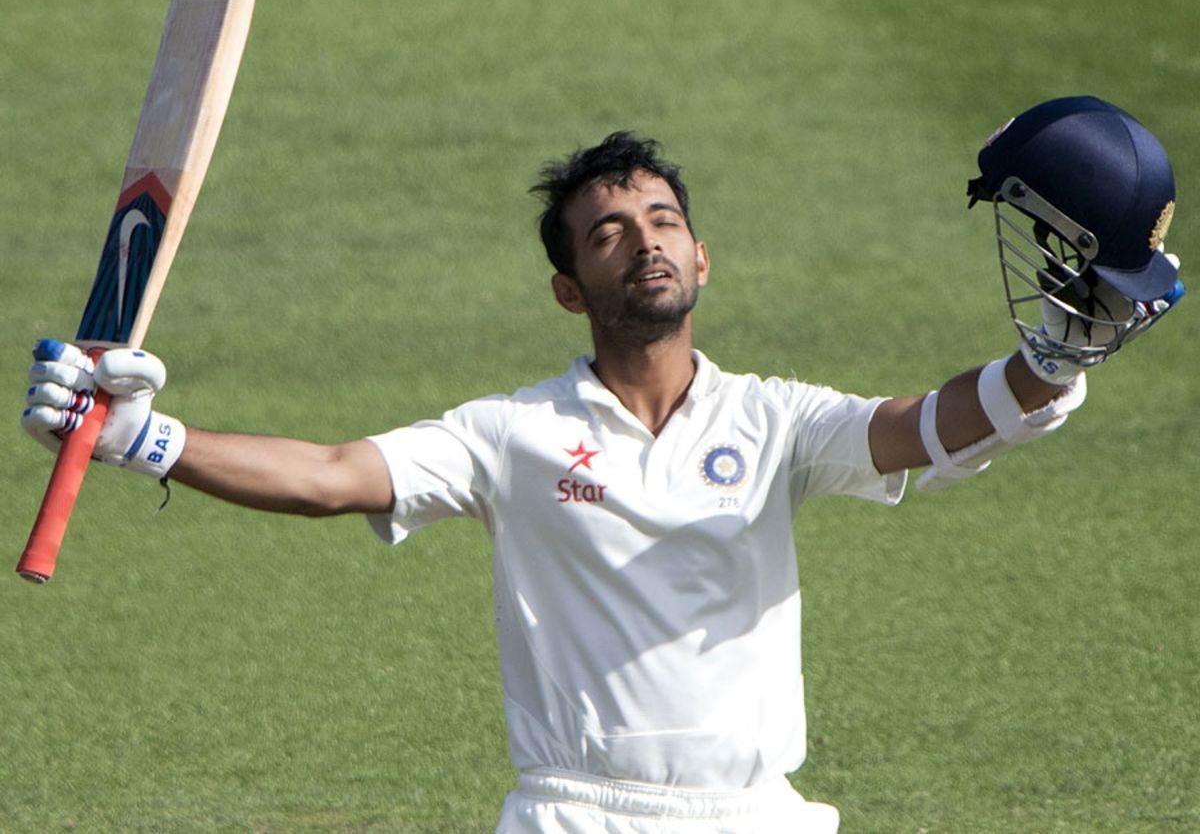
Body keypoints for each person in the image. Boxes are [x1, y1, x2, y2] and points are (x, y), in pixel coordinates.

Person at [21, 97, 1182, 832]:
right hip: (577, 819)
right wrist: (139, 437)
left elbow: (930, 427)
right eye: (610, 230)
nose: (646, 239)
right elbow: (332, 472)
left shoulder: (777, 421)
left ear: (703, 258)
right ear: (572, 288)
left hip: (753, 817)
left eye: (664, 218)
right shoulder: (511, 433)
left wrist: (1049, 365)